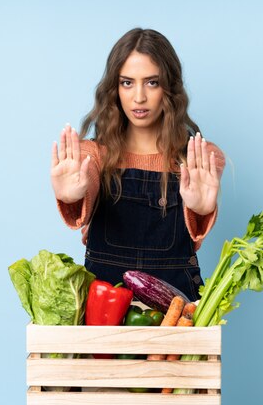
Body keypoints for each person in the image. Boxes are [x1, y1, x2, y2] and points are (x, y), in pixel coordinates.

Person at [49, 28, 225, 301]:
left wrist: (201, 210)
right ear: (114, 88)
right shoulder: (91, 156)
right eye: (127, 83)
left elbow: (197, 227)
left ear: (169, 87)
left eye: (152, 82)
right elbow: (88, 184)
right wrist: (71, 197)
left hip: (175, 316)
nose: (139, 97)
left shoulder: (199, 158)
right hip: (105, 313)